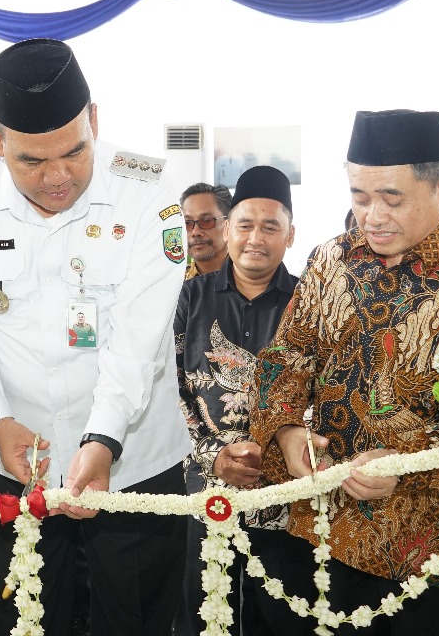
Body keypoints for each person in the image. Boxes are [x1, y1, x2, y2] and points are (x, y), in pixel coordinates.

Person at [0, 37, 190, 636]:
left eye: (73, 152)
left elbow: (137, 341)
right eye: (31, 163)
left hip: (135, 459)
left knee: (137, 622)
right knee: (24, 622)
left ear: (94, 120)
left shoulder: (148, 194)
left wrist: (104, 439)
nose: (57, 178)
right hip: (13, 456)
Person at [249, 109, 439, 635]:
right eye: (359, 198)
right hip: (325, 534)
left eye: (392, 198)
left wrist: (406, 459)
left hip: (430, 551)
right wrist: (288, 432)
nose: (373, 216)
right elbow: (286, 359)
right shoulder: (330, 261)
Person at [172, 165, 314, 635]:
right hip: (208, 495)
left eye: (271, 227)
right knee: (207, 617)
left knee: (284, 619)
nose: (256, 237)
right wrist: (215, 459)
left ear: (290, 236)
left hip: (287, 502)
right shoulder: (187, 299)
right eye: (246, 224)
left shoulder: (309, 305)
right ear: (229, 229)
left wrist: (279, 452)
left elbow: (323, 394)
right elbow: (168, 393)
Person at [181, 183, 232, 280]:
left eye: (206, 221)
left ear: (229, 224)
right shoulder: (176, 285)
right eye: (187, 223)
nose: (196, 232)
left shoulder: (252, 279)